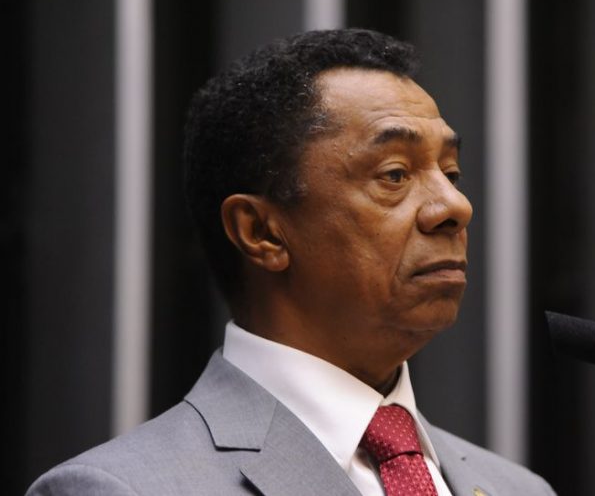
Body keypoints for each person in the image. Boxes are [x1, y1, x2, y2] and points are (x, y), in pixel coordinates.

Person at [27, 28, 555, 496]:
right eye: (395, 174)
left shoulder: (519, 488)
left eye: (451, 173)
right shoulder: (119, 489)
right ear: (262, 232)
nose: (455, 206)